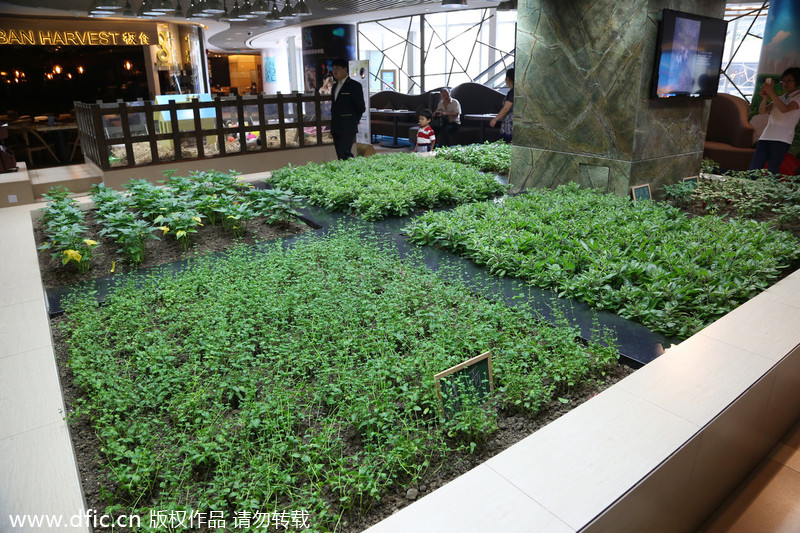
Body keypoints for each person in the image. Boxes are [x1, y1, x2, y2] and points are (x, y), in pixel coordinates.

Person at [749, 67, 800, 176]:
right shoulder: (781, 97)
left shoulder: (798, 97)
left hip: (782, 139)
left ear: (797, 81)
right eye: (783, 80)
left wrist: (771, 93)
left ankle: (767, 191)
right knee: (754, 168)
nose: (785, 83)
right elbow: (762, 111)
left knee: (772, 170)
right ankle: (751, 190)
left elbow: (785, 109)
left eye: (789, 80)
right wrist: (764, 97)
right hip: (766, 136)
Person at [330, 58, 366, 160]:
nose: (334, 71)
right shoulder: (335, 86)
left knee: (345, 153)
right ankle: (345, 173)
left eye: (337, 68)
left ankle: (351, 173)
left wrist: (354, 120)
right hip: (336, 126)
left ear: (345, 69)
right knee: (340, 155)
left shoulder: (354, 86)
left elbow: (361, 107)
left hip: (348, 126)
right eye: (333, 69)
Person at [490, 68, 515, 143]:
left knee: (508, 144)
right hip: (515, 122)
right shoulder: (518, 91)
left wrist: (495, 119)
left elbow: (506, 108)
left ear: (507, 78)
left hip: (510, 124)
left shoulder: (512, 92)